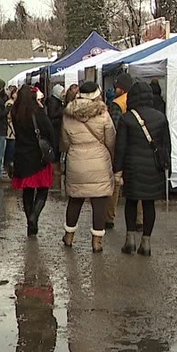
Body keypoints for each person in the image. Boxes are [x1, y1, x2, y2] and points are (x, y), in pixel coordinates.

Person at [114, 81, 171, 256]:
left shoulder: (127, 118)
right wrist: (167, 166)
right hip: (153, 167)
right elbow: (166, 146)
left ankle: (130, 240)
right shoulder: (161, 117)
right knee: (149, 204)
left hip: (133, 167)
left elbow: (121, 147)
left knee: (131, 202)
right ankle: (146, 242)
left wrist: (118, 169)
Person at [60, 81, 116, 252]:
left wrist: (74, 152)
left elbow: (64, 142)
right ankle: (96, 241)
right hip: (99, 160)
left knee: (75, 200)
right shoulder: (103, 114)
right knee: (99, 201)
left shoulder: (68, 114)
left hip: (75, 159)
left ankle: (69, 236)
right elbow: (111, 139)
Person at [9, 84, 56, 236]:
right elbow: (49, 131)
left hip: (22, 156)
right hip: (38, 157)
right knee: (43, 189)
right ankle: (34, 216)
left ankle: (30, 221)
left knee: (27, 191)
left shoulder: (16, 112)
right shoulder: (37, 112)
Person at [105, 73, 134, 229]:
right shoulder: (136, 100)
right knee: (136, 184)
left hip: (121, 148)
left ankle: (109, 217)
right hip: (136, 147)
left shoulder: (117, 104)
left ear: (121, 89)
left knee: (115, 184)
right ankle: (140, 220)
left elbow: (115, 128)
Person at [46, 84, 66, 154]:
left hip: (56, 130)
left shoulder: (57, 101)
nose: (64, 94)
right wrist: (62, 111)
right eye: (62, 92)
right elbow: (52, 114)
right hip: (55, 130)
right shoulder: (53, 102)